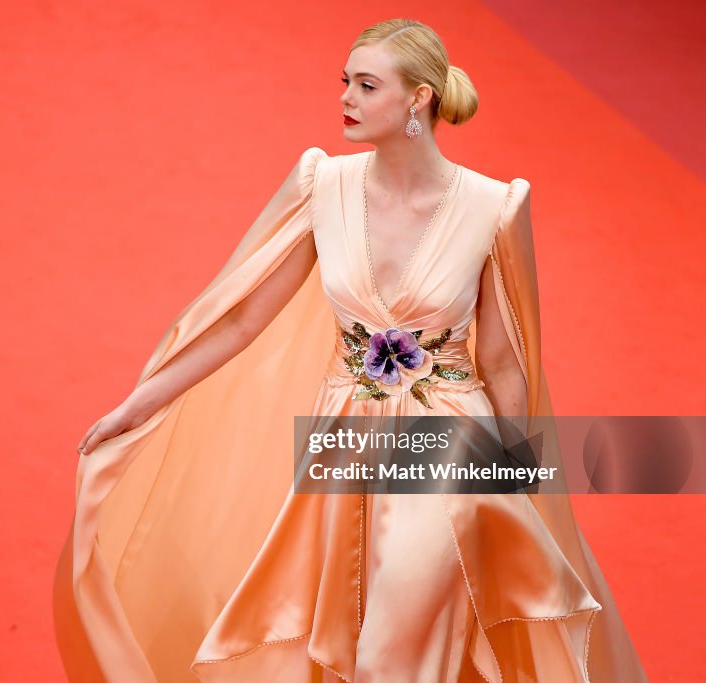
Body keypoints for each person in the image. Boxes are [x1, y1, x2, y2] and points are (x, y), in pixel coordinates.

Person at [53, 17, 649, 683]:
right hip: (342, 434)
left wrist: (517, 480)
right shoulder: (323, 186)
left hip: (449, 441)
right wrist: (140, 402)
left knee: (390, 650)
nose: (346, 99)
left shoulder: (493, 209)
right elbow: (242, 317)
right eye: (347, 82)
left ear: (419, 99)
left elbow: (506, 361)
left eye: (367, 86)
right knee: (341, 634)